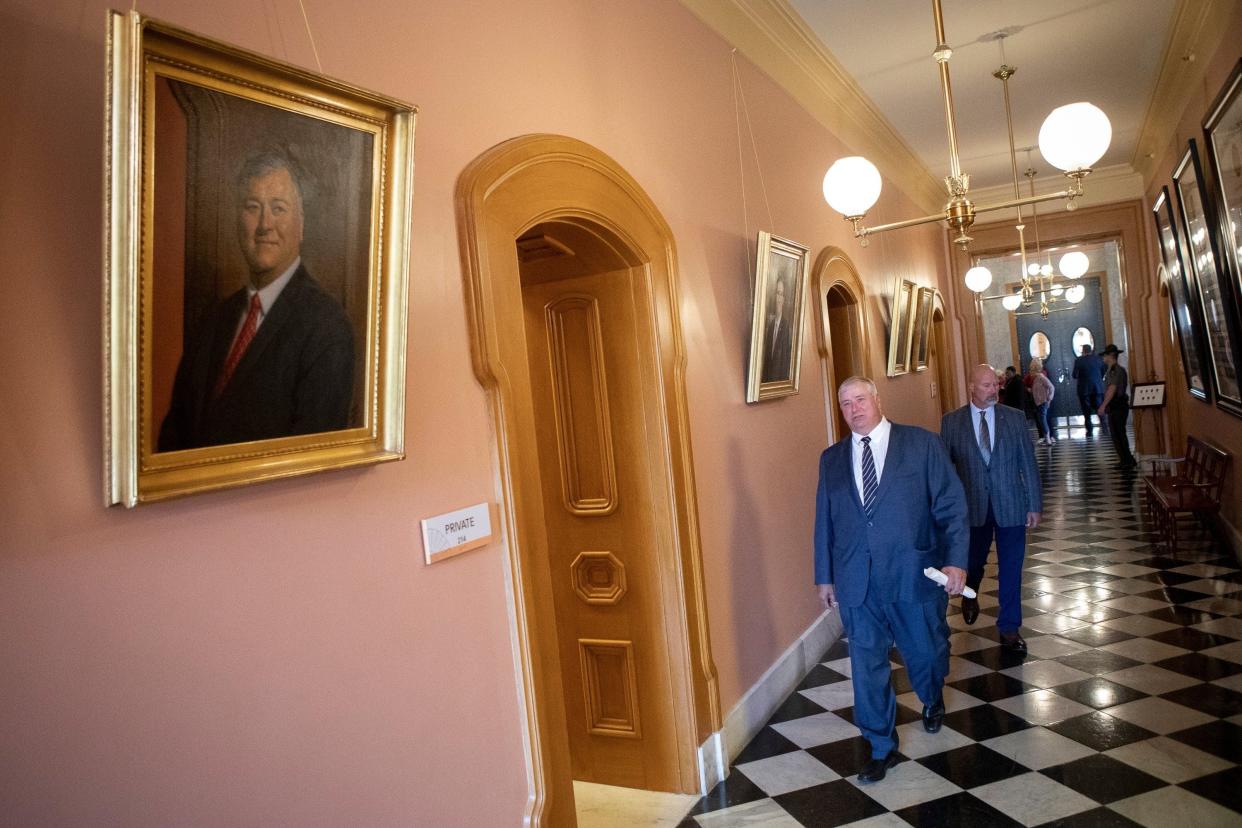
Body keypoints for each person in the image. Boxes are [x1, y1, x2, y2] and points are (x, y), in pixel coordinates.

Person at [814, 376, 967, 783]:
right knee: (867, 666)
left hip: (912, 575)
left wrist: (955, 562)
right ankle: (881, 746)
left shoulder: (921, 445)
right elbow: (824, 524)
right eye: (845, 403)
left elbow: (951, 505)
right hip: (856, 582)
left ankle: (932, 696)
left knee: (926, 651)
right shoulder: (831, 459)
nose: (853, 409)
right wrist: (824, 578)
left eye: (860, 399)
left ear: (877, 399)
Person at [159, 150, 355, 451]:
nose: (265, 224)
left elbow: (312, 457)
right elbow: (175, 431)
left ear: (300, 224)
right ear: (239, 221)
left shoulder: (326, 326)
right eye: (253, 207)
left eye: (278, 209)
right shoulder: (214, 320)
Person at [941, 365, 1042, 653]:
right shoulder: (952, 423)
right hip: (972, 508)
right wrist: (947, 513)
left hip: (1011, 504)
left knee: (1012, 567)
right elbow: (946, 472)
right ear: (971, 387)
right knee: (972, 562)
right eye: (986, 385)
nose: (993, 390)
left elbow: (1028, 462)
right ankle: (970, 592)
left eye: (995, 384)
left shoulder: (1015, 418)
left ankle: (1009, 627)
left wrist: (1034, 503)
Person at [1098, 344, 1137, 469]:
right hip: (1114, 406)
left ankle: (1128, 460)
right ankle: (1125, 460)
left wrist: (1103, 405)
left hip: (1118, 405)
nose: (1103, 357)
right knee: (1116, 434)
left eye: (1105, 355)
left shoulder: (1117, 370)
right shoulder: (1111, 369)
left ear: (1110, 356)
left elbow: (1112, 388)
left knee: (1119, 433)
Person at [760, 276, 793, 383]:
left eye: (781, 294)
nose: (778, 298)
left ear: (784, 299)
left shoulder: (787, 327)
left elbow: (786, 363)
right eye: (777, 293)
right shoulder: (770, 326)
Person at [1072, 344, 1105, 435]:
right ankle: (1105, 428)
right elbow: (1103, 371)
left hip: (1084, 389)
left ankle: (1089, 431)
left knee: (1086, 412)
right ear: (1091, 350)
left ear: (1083, 351)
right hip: (1097, 388)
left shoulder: (1079, 360)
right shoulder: (1098, 359)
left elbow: (1074, 375)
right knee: (1100, 409)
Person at [1029, 360, 1056, 445]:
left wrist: (1049, 399)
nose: (1030, 372)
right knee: (1042, 420)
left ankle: (1048, 438)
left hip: (1043, 402)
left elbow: (1052, 387)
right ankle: (1047, 437)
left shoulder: (1041, 377)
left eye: (1031, 370)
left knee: (1043, 420)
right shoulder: (1037, 378)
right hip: (1039, 403)